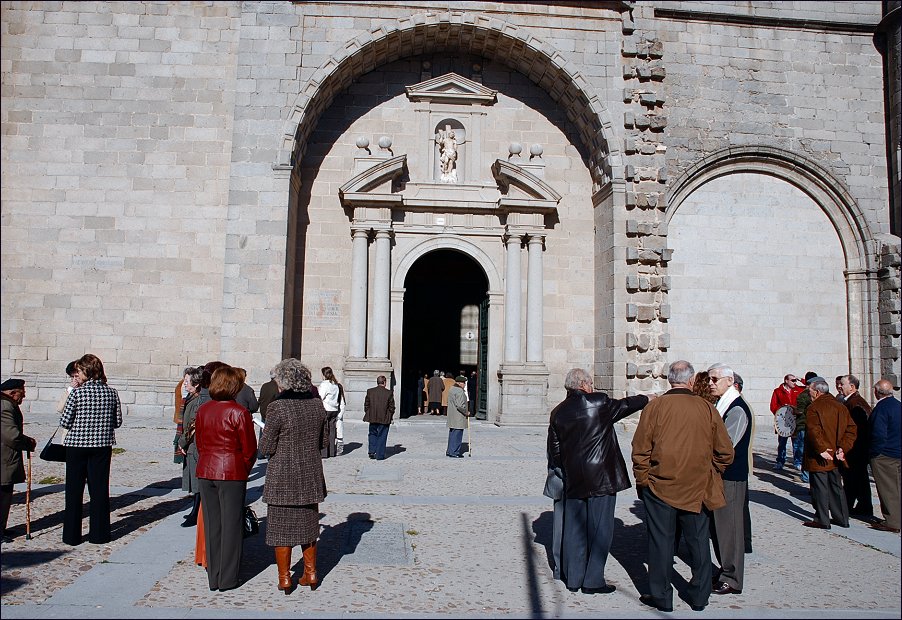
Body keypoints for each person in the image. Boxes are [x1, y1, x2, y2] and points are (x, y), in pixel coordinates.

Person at [632, 361, 733, 613]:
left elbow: (640, 449)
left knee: (660, 543)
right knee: (698, 542)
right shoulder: (707, 408)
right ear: (690, 382)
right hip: (697, 487)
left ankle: (662, 596)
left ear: (670, 381)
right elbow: (725, 451)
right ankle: (700, 596)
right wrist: (711, 472)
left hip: (660, 486)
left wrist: (643, 480)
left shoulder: (655, 407)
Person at [547, 368, 650, 594]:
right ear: (583, 384)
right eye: (591, 383)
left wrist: (566, 467)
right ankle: (593, 580)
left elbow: (554, 450)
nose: (592, 386)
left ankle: (573, 578)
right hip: (602, 476)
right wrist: (646, 398)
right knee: (601, 529)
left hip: (574, 477)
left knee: (575, 529)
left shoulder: (558, 412)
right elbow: (625, 405)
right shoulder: (599, 402)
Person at [259, 359, 328, 593]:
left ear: (284, 383)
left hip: (282, 476)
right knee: (309, 527)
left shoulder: (277, 407)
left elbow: (266, 446)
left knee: (280, 528)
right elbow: (324, 442)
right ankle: (310, 573)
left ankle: (284, 578)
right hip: (309, 473)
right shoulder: (317, 406)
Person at [194, 365, 257, 592]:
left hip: (207, 470)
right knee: (231, 525)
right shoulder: (239, 413)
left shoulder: (203, 410)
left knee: (213, 525)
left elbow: (200, 444)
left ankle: (215, 576)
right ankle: (228, 578)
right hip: (231, 472)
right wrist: (243, 469)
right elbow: (250, 449)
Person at [60, 354, 123, 546]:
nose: (77, 374)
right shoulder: (112, 393)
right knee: (99, 490)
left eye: (79, 371)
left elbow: (65, 421)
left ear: (86, 371)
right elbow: (117, 421)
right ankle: (100, 534)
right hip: (102, 446)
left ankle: (72, 536)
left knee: (73, 490)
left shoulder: (77, 393)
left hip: (77, 446)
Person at [706, 363, 751, 596]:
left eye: (715, 379)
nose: (711, 383)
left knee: (730, 527)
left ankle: (732, 578)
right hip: (721, 475)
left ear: (729, 381)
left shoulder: (736, 409)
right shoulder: (722, 405)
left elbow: (726, 445)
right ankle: (725, 569)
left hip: (730, 477)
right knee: (719, 527)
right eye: (710, 379)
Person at [802, 376, 857, 530]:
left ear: (818, 392)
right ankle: (842, 518)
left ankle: (822, 519)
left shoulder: (814, 408)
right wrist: (842, 448)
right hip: (835, 454)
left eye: (811, 390)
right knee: (836, 486)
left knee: (820, 488)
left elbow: (814, 431)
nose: (809, 393)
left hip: (820, 456)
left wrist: (821, 449)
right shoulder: (840, 406)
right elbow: (851, 429)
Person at [1, 378, 36, 540]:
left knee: (5, 494)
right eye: (22, 393)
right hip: (3, 459)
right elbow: (11, 436)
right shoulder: (5, 407)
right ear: (13, 393)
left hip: (5, 458)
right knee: (3, 494)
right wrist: (27, 442)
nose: (24, 396)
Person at [839, 374, 873, 520]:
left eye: (842, 384)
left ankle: (854, 507)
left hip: (855, 449)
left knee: (854, 479)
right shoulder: (850, 402)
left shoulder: (856, 404)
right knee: (857, 479)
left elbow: (856, 430)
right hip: (855, 449)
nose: (839, 386)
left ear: (852, 387)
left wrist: (846, 448)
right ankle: (861, 506)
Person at [868, 379, 900, 533]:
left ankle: (892, 522)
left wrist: (874, 452)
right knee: (897, 487)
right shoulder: (898, 405)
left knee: (888, 489)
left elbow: (878, 434)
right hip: (897, 451)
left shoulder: (881, 409)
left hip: (885, 454)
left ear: (876, 392)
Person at [177, 366, 205, 527]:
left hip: (194, 446)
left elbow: (192, 425)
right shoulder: (190, 399)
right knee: (194, 481)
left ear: (196, 385)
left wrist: (182, 442)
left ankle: (196, 512)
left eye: (187, 382)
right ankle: (195, 510)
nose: (185, 385)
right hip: (190, 446)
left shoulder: (198, 402)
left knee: (197, 481)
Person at [769, 373, 805, 471]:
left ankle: (797, 462)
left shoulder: (799, 390)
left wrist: (800, 379)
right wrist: (781, 412)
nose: (794, 382)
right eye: (792, 380)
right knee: (782, 443)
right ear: (786, 381)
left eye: (795, 380)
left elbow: (810, 386)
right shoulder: (778, 391)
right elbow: (773, 406)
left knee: (796, 443)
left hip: (795, 420)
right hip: (783, 421)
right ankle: (780, 461)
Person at [794, 371, 819, 484]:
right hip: (815, 427)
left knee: (805, 452)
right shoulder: (823, 394)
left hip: (804, 425)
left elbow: (799, 411)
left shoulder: (803, 395)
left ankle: (805, 476)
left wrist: (793, 410)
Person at [364, 375, 395, 460]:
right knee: (382, 435)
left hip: (373, 417)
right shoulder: (389, 393)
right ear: (384, 382)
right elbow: (391, 407)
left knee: (372, 433)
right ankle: (379, 455)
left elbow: (366, 404)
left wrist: (369, 413)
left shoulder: (370, 391)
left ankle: (372, 451)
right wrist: (390, 416)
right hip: (384, 418)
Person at [319, 367, 346, 457]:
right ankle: (331, 451)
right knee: (332, 431)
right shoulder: (335, 385)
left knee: (325, 431)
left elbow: (320, 397)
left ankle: (324, 452)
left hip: (326, 409)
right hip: (334, 410)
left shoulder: (325, 385)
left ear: (324, 375)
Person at [172, 366, 194, 466]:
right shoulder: (183, 387)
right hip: (184, 420)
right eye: (185, 380)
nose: (185, 383)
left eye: (187, 380)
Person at [445, 375, 470, 458]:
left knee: (452, 434)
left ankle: (450, 450)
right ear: (459, 383)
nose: (464, 385)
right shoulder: (459, 391)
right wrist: (466, 412)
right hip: (458, 416)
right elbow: (459, 405)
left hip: (452, 416)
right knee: (457, 435)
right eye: (463, 383)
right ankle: (454, 452)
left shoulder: (452, 389)